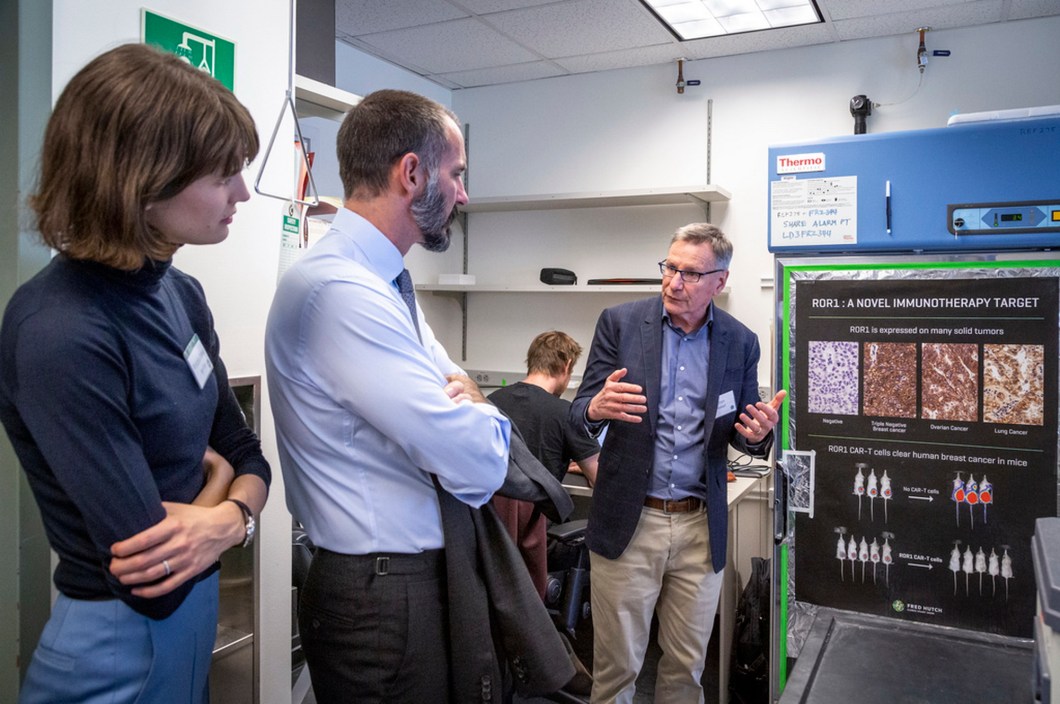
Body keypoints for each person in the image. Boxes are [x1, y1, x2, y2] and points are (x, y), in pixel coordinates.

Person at [267, 89, 572, 703]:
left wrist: (474, 405)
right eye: (456, 174)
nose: (463, 194)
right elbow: (476, 460)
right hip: (378, 592)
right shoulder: (341, 291)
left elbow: (458, 391)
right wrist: (482, 411)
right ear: (411, 173)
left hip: (401, 583)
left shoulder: (385, 286)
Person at [0, 43, 270, 704]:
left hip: (190, 620)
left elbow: (247, 455)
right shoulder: (60, 330)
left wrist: (227, 518)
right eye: (223, 174)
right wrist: (226, 505)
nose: (242, 192)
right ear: (141, 183)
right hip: (115, 643)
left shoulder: (181, 296)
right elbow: (150, 574)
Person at [569, 223, 785, 703]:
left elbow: (744, 434)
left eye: (689, 273)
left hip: (699, 527)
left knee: (686, 671)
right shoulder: (620, 323)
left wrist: (758, 436)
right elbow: (578, 418)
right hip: (630, 521)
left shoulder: (740, 342)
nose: (673, 283)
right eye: (669, 268)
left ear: (719, 282)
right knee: (617, 670)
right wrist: (594, 409)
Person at [488, 330, 600, 599]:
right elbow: (601, 478)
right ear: (566, 366)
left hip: (489, 534)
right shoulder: (564, 413)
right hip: (535, 537)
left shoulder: (491, 402)